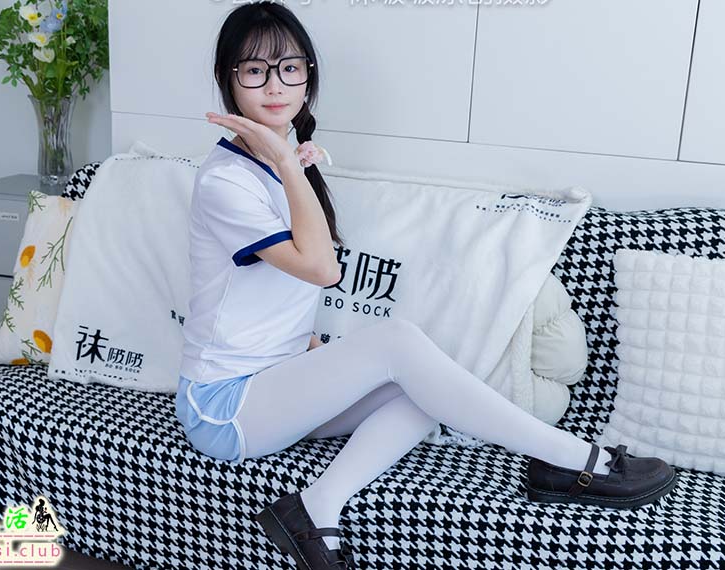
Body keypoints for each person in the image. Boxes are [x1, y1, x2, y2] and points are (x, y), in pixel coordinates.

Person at [176, 2, 678, 568]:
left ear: (308, 75)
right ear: (228, 80)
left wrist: (303, 345)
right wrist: (291, 164)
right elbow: (322, 270)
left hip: (278, 381)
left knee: (422, 389)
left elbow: (283, 283)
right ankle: (579, 461)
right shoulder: (227, 180)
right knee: (396, 343)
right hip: (224, 407)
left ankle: (315, 507)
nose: (275, 85)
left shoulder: (280, 160)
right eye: (254, 71)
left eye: (290, 68)